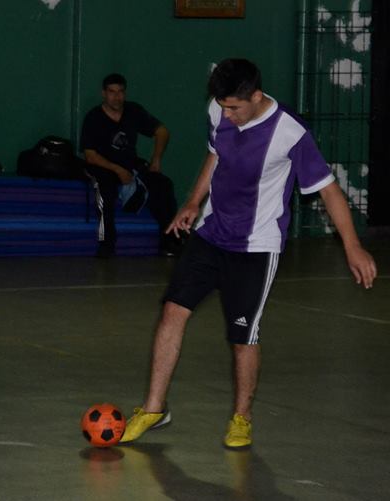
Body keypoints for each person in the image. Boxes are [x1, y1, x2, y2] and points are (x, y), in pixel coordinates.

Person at [120, 58, 377, 450]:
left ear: (256, 96)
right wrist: (193, 202)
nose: (227, 115)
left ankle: (242, 417)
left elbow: (328, 190)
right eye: (223, 107)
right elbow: (215, 154)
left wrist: (353, 245)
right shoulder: (219, 109)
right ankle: (154, 408)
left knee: (243, 337)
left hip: (255, 247)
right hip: (210, 234)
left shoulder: (290, 132)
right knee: (173, 311)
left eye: (235, 108)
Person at [80, 73, 180, 257]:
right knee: (105, 190)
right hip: (103, 166)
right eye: (112, 92)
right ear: (104, 93)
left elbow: (162, 132)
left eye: (120, 92)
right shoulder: (94, 117)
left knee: (163, 185)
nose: (116, 97)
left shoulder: (133, 111)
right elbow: (90, 156)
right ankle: (106, 244)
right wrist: (117, 170)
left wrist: (156, 158)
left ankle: (169, 241)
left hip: (129, 164)